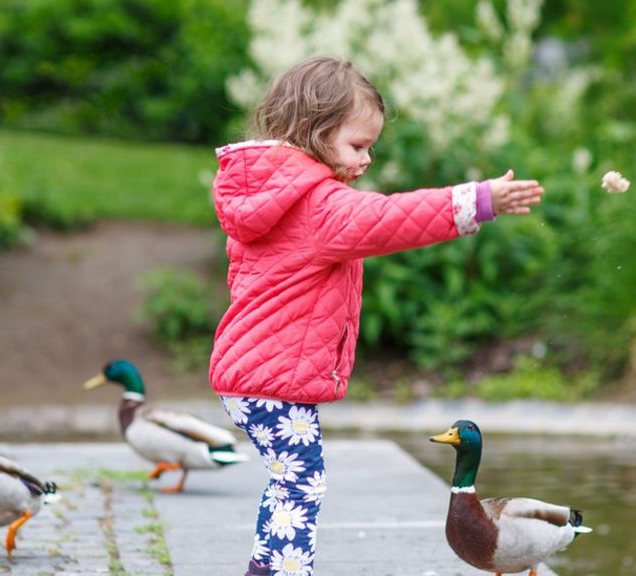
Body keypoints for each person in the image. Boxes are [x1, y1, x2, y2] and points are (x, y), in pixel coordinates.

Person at [209, 55, 544, 576]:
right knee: (300, 482)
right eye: (358, 145)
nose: (366, 160)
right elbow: (389, 219)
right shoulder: (318, 204)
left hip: (252, 373)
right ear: (314, 132)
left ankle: (269, 569)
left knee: (292, 480)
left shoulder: (269, 193)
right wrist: (477, 201)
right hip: (268, 377)